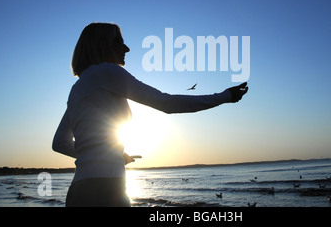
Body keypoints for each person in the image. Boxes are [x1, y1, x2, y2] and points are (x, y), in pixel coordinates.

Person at [52, 22, 248, 207]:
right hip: (106, 189)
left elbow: (59, 143)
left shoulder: (77, 88)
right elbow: (167, 103)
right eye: (119, 42)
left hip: (78, 191)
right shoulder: (108, 72)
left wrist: (112, 155)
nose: (126, 48)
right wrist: (224, 96)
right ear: (103, 46)